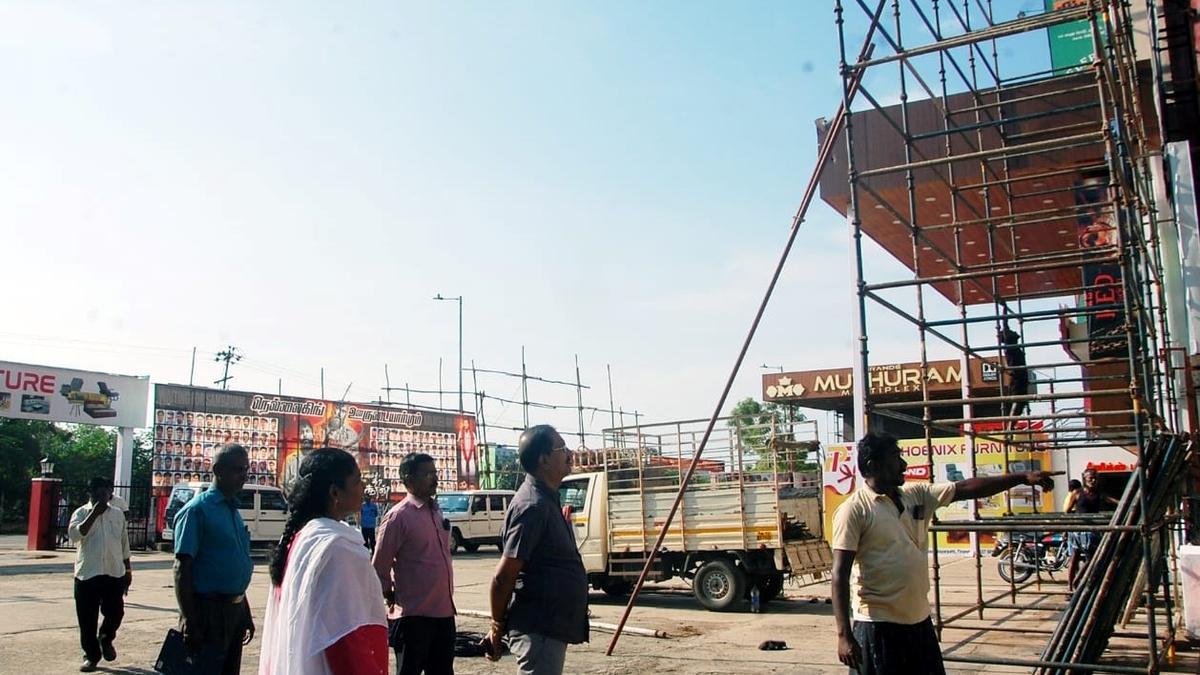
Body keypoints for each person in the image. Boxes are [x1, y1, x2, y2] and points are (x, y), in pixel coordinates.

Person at [832, 432, 1060, 674]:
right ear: (873, 465)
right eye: (894, 457)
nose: (903, 465)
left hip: (919, 622)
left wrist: (1022, 477)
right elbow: (839, 574)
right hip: (877, 626)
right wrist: (844, 636)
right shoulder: (854, 511)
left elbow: (965, 488)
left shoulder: (915, 495)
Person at [259, 448, 387, 675]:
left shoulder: (303, 536)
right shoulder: (336, 546)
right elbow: (345, 636)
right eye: (357, 481)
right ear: (335, 492)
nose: (362, 488)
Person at [483, 425, 587, 675]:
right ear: (544, 460)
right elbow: (503, 576)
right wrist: (497, 625)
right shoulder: (533, 506)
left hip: (549, 626)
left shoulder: (546, 498)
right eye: (562, 448)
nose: (570, 453)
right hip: (539, 627)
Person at [172, 444, 255, 675]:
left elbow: (234, 565)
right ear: (218, 470)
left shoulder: (232, 511)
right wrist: (190, 620)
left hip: (233, 611)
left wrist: (244, 612)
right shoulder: (197, 510)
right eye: (238, 470)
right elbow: (182, 569)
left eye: (246, 469)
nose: (244, 476)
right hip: (207, 611)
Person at [372, 453, 456, 675]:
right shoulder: (398, 517)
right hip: (413, 618)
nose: (434, 479)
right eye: (428, 474)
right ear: (408, 479)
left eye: (435, 473)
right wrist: (390, 595)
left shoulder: (436, 511)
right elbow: (379, 567)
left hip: (444, 614)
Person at [68, 476, 132, 673]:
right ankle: (91, 656)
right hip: (88, 574)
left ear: (110, 492)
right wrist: (94, 514)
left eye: (105, 492)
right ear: (91, 494)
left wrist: (128, 569)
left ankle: (106, 637)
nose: (103, 496)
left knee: (116, 613)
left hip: (114, 572)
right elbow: (75, 535)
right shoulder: (80, 513)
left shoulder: (118, 514)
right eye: (98, 493)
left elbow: (124, 543)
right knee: (87, 619)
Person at [1064, 468, 1118, 591]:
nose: (1093, 481)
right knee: (1074, 558)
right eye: (1090, 478)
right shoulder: (1077, 493)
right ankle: (1070, 586)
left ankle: (1079, 580)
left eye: (1095, 478)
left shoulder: (1099, 493)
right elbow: (1067, 511)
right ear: (1085, 479)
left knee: (1092, 557)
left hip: (1092, 530)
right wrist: (1069, 526)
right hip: (1078, 529)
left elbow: (1114, 501)